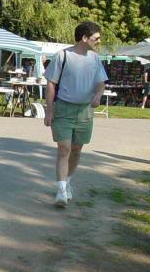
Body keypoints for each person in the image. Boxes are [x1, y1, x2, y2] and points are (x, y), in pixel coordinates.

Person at [44, 21, 108, 208]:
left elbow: (101, 81)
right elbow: (50, 84)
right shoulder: (63, 56)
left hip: (85, 111)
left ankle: (68, 182)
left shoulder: (95, 59)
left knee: (77, 149)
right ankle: (61, 191)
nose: (98, 41)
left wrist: (98, 95)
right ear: (84, 38)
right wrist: (49, 111)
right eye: (96, 38)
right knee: (64, 148)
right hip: (63, 109)